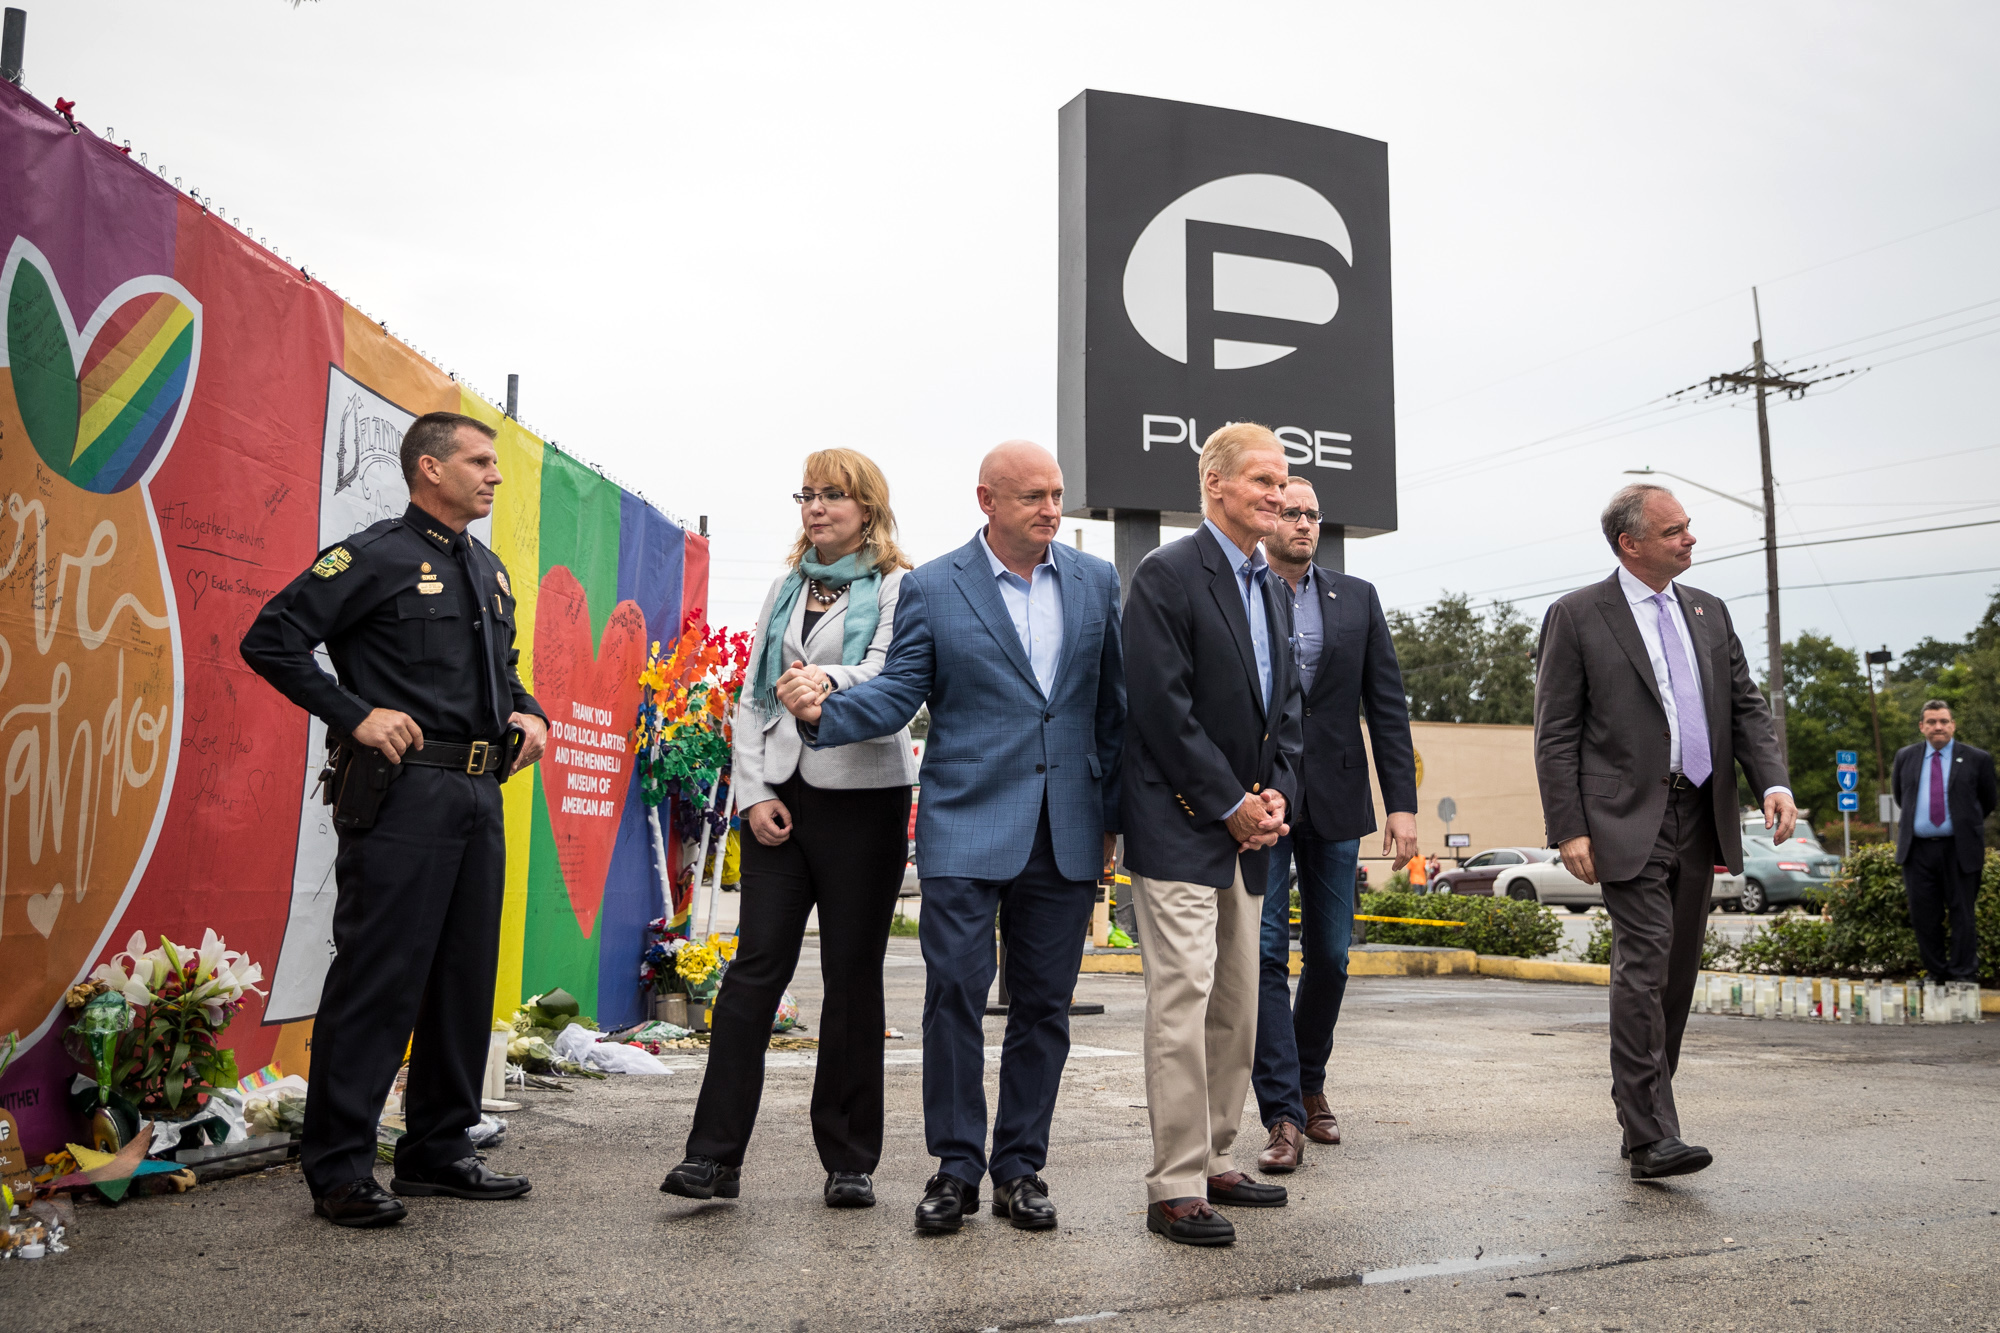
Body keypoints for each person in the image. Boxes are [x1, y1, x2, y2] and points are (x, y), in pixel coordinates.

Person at [777, 440, 1126, 1236]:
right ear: (987, 501)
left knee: (1043, 1009)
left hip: (1065, 830)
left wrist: (1114, 822)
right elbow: (902, 691)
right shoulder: (934, 586)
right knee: (953, 998)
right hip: (966, 824)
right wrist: (824, 710)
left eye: (1057, 493)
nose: (1051, 508)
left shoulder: (1097, 581)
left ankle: (1021, 1167)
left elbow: (1115, 708)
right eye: (1034, 495)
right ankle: (956, 1166)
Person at [241, 412, 549, 1228]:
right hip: (403, 792)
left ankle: (439, 1150)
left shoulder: (485, 568)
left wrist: (531, 714)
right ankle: (340, 1168)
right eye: (479, 461)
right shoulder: (373, 556)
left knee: (462, 977)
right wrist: (354, 714)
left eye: (495, 461)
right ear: (428, 469)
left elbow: (504, 672)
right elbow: (271, 638)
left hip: (480, 793)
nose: (494, 474)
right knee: (379, 977)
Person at [660, 449, 918, 1210]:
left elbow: (890, 670)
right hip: (780, 800)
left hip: (863, 799)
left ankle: (849, 1159)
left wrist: (825, 680)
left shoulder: (902, 587)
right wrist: (752, 792)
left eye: (833, 496)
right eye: (807, 495)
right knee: (751, 977)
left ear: (867, 509)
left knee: (850, 981)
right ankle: (712, 1158)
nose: (816, 508)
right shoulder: (784, 587)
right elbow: (749, 699)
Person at [1532, 482, 1793, 1181]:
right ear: (1631, 543)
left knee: (1675, 975)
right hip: (1623, 818)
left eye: (1688, 527)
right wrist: (1569, 828)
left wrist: (1773, 780)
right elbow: (1555, 733)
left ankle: (1644, 1113)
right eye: (1674, 529)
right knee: (1644, 964)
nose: (1690, 539)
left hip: (1700, 813)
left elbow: (1746, 707)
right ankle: (1651, 1133)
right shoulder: (1579, 614)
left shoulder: (1709, 611)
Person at [1120, 422, 1303, 1247]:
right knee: (1183, 999)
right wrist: (1229, 800)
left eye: (1284, 480)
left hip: (1249, 834)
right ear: (1215, 484)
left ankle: (1218, 1156)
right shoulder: (1166, 574)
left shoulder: (1270, 585)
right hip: (1180, 825)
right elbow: (1162, 709)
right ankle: (1174, 1182)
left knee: (1239, 1002)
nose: (1278, 493)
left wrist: (1275, 798)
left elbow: (1287, 713)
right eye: (1263, 480)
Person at [1251, 480, 1418, 1174]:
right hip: (1259, 800)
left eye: (1312, 513)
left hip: (1339, 797)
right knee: (1262, 957)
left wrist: (1401, 802)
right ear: (1266, 519)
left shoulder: (1357, 598)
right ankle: (1284, 1111)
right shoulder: (1240, 590)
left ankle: (1309, 1075)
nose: (1303, 522)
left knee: (1332, 953)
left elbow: (1386, 703)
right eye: (1290, 511)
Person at [1891, 701, 1997, 986]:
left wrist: (1962, 823)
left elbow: (1987, 802)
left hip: (1960, 849)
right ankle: (1936, 973)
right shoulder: (1905, 757)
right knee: (1924, 916)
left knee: (1962, 914)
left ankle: (1963, 974)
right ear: (1922, 726)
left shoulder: (1977, 758)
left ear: (1953, 725)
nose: (1938, 726)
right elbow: (1902, 797)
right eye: (1932, 721)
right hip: (1918, 851)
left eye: (1944, 721)